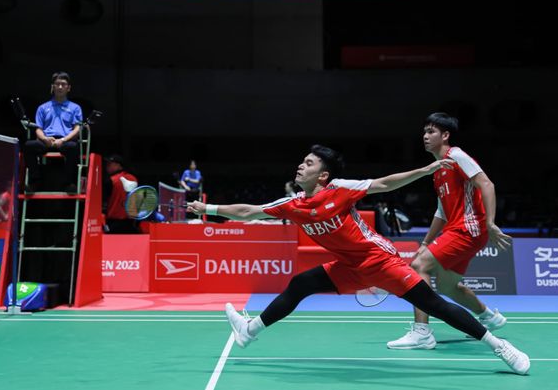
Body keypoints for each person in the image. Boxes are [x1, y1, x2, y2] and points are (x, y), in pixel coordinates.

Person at [188, 144, 530, 375]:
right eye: (302, 161)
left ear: (322, 175)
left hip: (381, 261)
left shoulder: (340, 188)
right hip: (350, 268)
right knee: (302, 283)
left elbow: (383, 184)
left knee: (433, 304)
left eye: (308, 163)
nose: (300, 165)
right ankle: (250, 331)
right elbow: (250, 212)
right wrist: (209, 209)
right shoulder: (294, 205)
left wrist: (424, 171)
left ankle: (500, 347)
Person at [387, 113, 513, 350]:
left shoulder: (456, 155)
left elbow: (486, 184)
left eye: (431, 132)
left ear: (445, 135)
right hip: (459, 228)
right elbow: (441, 213)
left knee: (419, 267)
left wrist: (491, 223)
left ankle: (421, 333)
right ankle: (489, 317)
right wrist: (426, 241)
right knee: (446, 286)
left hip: (469, 228)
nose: (425, 136)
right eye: (424, 132)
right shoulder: (438, 170)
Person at [24, 72, 83, 194]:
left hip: (65, 141)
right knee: (29, 146)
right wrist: (45, 139)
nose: (60, 87)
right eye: (57, 84)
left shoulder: (75, 108)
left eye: (63, 84)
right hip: (46, 141)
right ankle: (35, 181)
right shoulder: (43, 108)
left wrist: (63, 140)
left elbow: (77, 129)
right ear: (53, 87)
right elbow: (38, 129)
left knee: (74, 147)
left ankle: (69, 184)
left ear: (68, 88)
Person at [103, 154, 139, 234]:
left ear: (118, 165)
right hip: (131, 222)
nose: (107, 167)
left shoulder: (111, 180)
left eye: (109, 164)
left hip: (113, 222)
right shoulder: (133, 178)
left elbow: (104, 200)